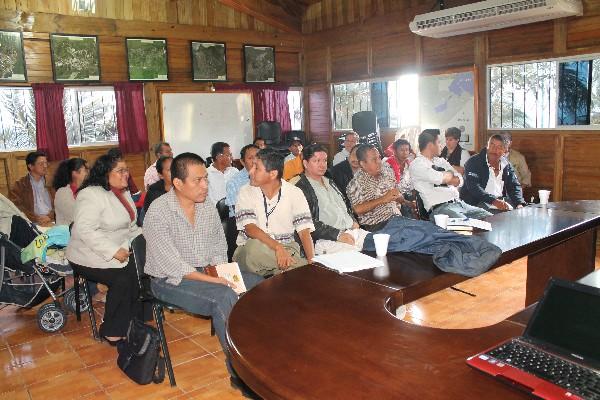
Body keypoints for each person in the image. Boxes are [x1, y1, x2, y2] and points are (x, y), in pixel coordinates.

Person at [143, 152, 262, 396]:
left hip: (207, 272)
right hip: (168, 279)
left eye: (205, 179)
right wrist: (217, 280)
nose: (205, 185)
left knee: (258, 286)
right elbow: (174, 266)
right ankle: (238, 372)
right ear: (177, 183)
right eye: (198, 180)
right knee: (224, 296)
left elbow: (219, 245)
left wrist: (223, 270)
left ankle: (259, 357)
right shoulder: (158, 211)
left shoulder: (206, 206)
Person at [66, 153, 143, 345]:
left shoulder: (123, 193)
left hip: (119, 249)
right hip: (86, 254)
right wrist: (112, 251)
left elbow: (131, 227)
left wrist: (148, 238)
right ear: (105, 173)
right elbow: (85, 230)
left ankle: (132, 320)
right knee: (123, 278)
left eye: (127, 170)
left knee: (142, 270)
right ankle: (111, 330)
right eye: (121, 171)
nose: (126, 174)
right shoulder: (90, 194)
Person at [233, 148, 315, 277]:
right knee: (254, 248)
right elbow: (250, 229)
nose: (250, 172)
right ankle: (303, 268)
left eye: (256, 168)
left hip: (286, 249)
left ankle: (303, 269)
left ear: (272, 174)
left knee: (290, 273)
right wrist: (277, 247)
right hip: (251, 252)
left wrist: (312, 261)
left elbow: (304, 231)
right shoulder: (245, 191)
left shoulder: (294, 192)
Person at [295, 144, 368, 253]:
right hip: (328, 239)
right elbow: (307, 223)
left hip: (351, 231)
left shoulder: (330, 181)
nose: (322, 165)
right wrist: (338, 235)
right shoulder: (301, 188)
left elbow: (345, 205)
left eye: (324, 160)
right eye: (317, 161)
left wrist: (353, 220)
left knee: (382, 241)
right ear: (305, 163)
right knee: (366, 254)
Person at [410, 129, 491, 220]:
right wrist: (449, 174)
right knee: (467, 226)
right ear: (430, 145)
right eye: (439, 142)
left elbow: (460, 180)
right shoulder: (417, 164)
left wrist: (448, 177)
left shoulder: (440, 161)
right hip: (440, 209)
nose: (442, 145)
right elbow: (440, 179)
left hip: (459, 204)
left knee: (491, 218)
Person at [346, 144, 406, 231]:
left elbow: (398, 196)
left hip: (398, 218)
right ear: (363, 163)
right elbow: (357, 209)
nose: (379, 161)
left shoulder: (387, 172)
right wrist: (383, 199)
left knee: (424, 231)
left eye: (379, 157)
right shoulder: (355, 184)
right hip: (377, 225)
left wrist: (400, 198)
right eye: (374, 159)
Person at [460, 135, 526, 213]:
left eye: (499, 147)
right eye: (492, 145)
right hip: (477, 202)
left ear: (504, 151)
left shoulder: (506, 164)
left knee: (520, 214)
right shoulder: (473, 162)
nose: (495, 149)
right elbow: (474, 187)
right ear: (486, 146)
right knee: (497, 218)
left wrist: (519, 203)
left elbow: (514, 185)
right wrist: (493, 201)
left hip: (500, 201)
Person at [9, 151, 55, 226]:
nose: (45, 166)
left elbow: (59, 204)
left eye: (46, 163)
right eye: (41, 164)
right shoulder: (20, 185)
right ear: (31, 166)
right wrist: (35, 218)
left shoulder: (52, 183)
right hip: (31, 223)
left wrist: (50, 216)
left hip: (52, 220)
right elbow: (16, 206)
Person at [52, 158, 88, 226]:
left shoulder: (85, 189)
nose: (87, 173)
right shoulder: (62, 193)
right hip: (67, 233)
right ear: (75, 173)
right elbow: (75, 216)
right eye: (85, 170)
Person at [386, 138, 417, 218]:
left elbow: (412, 184)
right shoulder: (388, 165)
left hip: (407, 195)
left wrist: (415, 199)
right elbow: (390, 190)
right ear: (395, 151)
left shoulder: (409, 164)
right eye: (402, 150)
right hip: (395, 198)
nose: (405, 152)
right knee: (408, 216)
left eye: (407, 150)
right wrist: (409, 203)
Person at [225, 144, 259, 217]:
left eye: (258, 157)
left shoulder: (268, 177)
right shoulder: (233, 183)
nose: (255, 161)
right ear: (243, 162)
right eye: (250, 158)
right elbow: (235, 213)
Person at [328, 144, 360, 208]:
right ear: (349, 155)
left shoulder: (367, 171)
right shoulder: (335, 172)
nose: (356, 158)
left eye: (360, 156)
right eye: (354, 154)